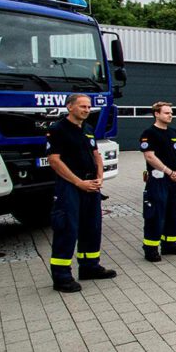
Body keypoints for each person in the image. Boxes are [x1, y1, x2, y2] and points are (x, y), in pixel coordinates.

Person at [46, 94, 116, 292]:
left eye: (88, 107)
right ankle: (61, 276)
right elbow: (55, 161)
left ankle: (89, 267)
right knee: (67, 228)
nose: (87, 110)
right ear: (70, 107)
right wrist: (79, 182)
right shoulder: (58, 130)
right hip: (70, 185)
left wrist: (100, 178)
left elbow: (97, 155)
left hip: (91, 185)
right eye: (82, 106)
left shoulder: (87, 129)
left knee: (91, 227)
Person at [139, 101, 176, 262]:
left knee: (175, 211)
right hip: (158, 179)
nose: (170, 115)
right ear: (157, 114)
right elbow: (149, 156)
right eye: (167, 113)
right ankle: (151, 248)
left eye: (171, 113)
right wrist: (168, 171)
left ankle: (169, 244)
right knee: (155, 213)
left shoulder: (174, 132)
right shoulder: (149, 133)